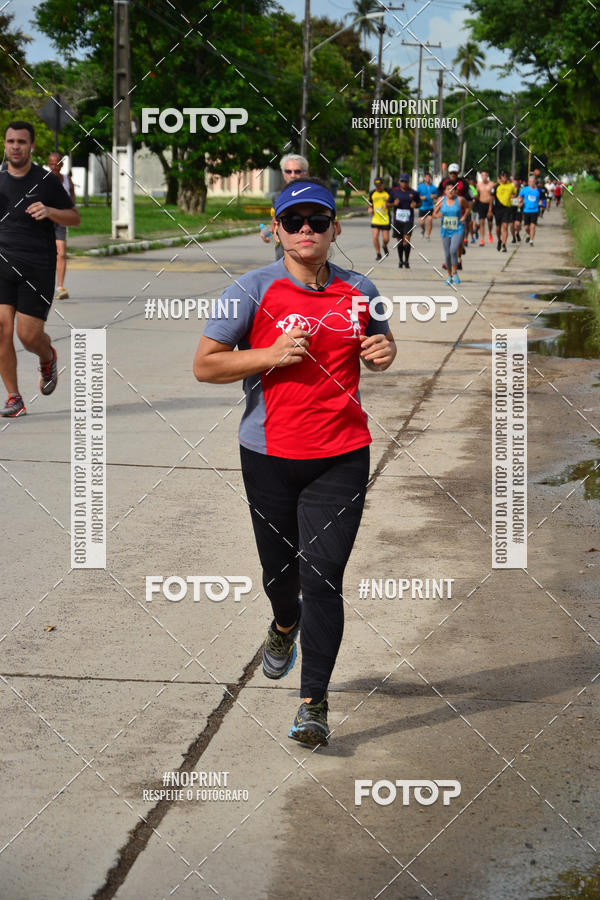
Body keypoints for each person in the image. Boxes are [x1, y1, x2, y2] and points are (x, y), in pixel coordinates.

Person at [193, 177, 396, 746]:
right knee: (281, 576)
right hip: (268, 456)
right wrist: (270, 355)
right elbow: (206, 365)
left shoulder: (361, 289)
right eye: (293, 221)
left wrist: (383, 352)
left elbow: (380, 343)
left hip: (342, 455)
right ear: (276, 230)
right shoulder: (251, 289)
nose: (306, 230)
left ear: (335, 228)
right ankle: (284, 625)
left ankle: (314, 705)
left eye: (317, 220)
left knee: (323, 578)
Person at [0, 122, 80, 417]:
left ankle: (47, 357)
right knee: (1, 329)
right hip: (2, 265)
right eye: (10, 141)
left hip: (37, 268)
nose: (15, 146)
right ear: (5, 144)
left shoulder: (45, 181)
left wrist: (50, 211)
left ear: (31, 146)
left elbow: (74, 217)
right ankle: (14, 397)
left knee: (28, 336)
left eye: (21, 141)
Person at [260, 153, 309, 260]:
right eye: (288, 171)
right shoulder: (277, 197)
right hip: (283, 253)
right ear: (283, 174)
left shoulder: (314, 197)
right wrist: (267, 232)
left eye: (297, 171)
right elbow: (276, 221)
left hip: (307, 253)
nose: (292, 175)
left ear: (305, 173)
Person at [47, 151, 75, 300]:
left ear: (62, 164)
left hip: (60, 220)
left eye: (56, 163)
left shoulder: (66, 180)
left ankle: (60, 287)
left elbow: (72, 199)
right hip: (44, 220)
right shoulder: (42, 179)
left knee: (62, 253)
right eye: (51, 164)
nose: (53, 167)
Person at [433, 182, 468, 285]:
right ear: (445, 191)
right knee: (447, 254)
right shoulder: (441, 200)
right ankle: (449, 275)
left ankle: (455, 273)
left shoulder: (460, 200)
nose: (451, 191)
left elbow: (468, 207)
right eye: (448, 189)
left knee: (453, 250)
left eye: (453, 189)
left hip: (457, 229)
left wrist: (464, 216)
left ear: (456, 191)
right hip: (445, 231)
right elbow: (434, 213)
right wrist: (438, 215)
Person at [439, 164, 471, 268]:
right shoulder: (444, 182)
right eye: (451, 173)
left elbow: (469, 196)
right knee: (447, 239)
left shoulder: (463, 183)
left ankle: (458, 260)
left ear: (458, 173)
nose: (453, 175)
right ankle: (448, 261)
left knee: (459, 241)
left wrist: (466, 213)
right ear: (448, 173)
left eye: (455, 173)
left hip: (460, 213)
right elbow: (439, 193)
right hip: (447, 215)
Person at [388, 173, 420, 268]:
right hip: (398, 220)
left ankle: (406, 261)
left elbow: (419, 203)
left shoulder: (413, 192)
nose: (404, 183)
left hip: (408, 220)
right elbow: (387, 204)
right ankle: (400, 260)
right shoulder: (394, 192)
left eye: (405, 182)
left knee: (407, 240)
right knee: (400, 241)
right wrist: (394, 203)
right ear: (399, 182)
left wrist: (415, 205)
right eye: (402, 181)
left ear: (408, 182)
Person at [491, 170, 516, 252]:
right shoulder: (496, 186)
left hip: (506, 208)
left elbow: (514, 194)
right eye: (503, 176)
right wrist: (489, 209)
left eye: (506, 176)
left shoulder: (511, 186)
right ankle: (499, 240)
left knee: (505, 226)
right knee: (498, 228)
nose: (504, 178)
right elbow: (492, 198)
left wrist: (513, 197)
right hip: (497, 209)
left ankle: (504, 244)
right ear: (500, 177)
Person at [367, 177, 391, 260]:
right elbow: (370, 203)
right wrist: (370, 208)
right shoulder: (372, 193)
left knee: (386, 239)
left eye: (380, 185)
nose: (378, 187)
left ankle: (384, 245)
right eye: (376, 186)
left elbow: (393, 202)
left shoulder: (388, 192)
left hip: (385, 218)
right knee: (375, 237)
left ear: (383, 184)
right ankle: (378, 253)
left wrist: (388, 205)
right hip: (376, 218)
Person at [519, 174, 542, 245]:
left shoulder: (538, 190)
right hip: (526, 210)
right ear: (528, 182)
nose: (531, 183)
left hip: (534, 210)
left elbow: (541, 199)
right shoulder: (525, 189)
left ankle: (531, 240)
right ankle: (529, 235)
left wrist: (540, 203)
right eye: (530, 181)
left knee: (533, 226)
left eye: (533, 181)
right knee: (526, 227)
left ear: (535, 182)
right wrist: (520, 201)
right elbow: (519, 196)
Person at [475, 170, 495, 246]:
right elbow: (477, 194)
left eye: (485, 175)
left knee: (490, 222)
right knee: (481, 222)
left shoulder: (491, 184)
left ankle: (490, 232)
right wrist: (475, 197)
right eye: (482, 175)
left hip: (489, 204)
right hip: (481, 204)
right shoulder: (479, 184)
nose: (484, 177)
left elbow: (493, 196)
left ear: (487, 176)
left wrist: (490, 208)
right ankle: (482, 239)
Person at [416, 171, 437, 240]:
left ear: (430, 178)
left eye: (429, 177)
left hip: (430, 207)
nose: (428, 178)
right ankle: (423, 230)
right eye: (426, 177)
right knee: (422, 222)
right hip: (422, 207)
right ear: (424, 178)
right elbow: (416, 196)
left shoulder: (434, 187)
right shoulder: (420, 187)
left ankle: (428, 235)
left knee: (430, 220)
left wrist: (434, 196)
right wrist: (421, 197)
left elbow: (438, 196)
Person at [510, 177, 522, 243]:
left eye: (517, 181)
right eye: (514, 181)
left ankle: (517, 233)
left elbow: (522, 198)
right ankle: (513, 237)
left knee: (517, 224)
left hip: (518, 208)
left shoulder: (521, 189)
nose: (516, 182)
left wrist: (521, 203)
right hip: (511, 208)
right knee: (511, 225)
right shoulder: (509, 189)